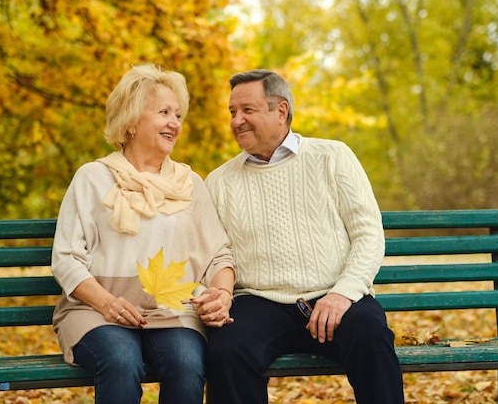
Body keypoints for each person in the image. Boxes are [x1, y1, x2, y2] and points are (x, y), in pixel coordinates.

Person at [203, 69, 404, 404]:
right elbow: (213, 255)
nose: (236, 121)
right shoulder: (219, 181)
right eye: (232, 112)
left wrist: (344, 293)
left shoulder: (332, 156)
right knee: (226, 351)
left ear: (281, 111)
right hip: (258, 302)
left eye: (247, 110)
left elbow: (368, 234)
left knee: (371, 335)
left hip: (336, 295)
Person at [51, 64, 235, 404]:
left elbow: (218, 255)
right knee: (121, 360)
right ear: (131, 122)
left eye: (178, 115)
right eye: (163, 112)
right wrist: (107, 304)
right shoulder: (93, 178)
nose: (175, 123)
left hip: (171, 311)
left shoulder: (190, 184)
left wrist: (222, 294)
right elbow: (66, 259)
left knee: (187, 363)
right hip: (96, 310)